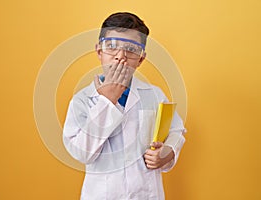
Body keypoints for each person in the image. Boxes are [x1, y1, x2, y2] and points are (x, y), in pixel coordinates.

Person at [63, 12, 186, 200]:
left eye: (130, 49)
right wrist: (107, 101)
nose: (120, 56)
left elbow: (176, 131)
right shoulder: (82, 100)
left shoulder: (154, 95)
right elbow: (82, 152)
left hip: (147, 194)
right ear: (99, 52)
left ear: (141, 59)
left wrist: (167, 153)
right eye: (111, 47)